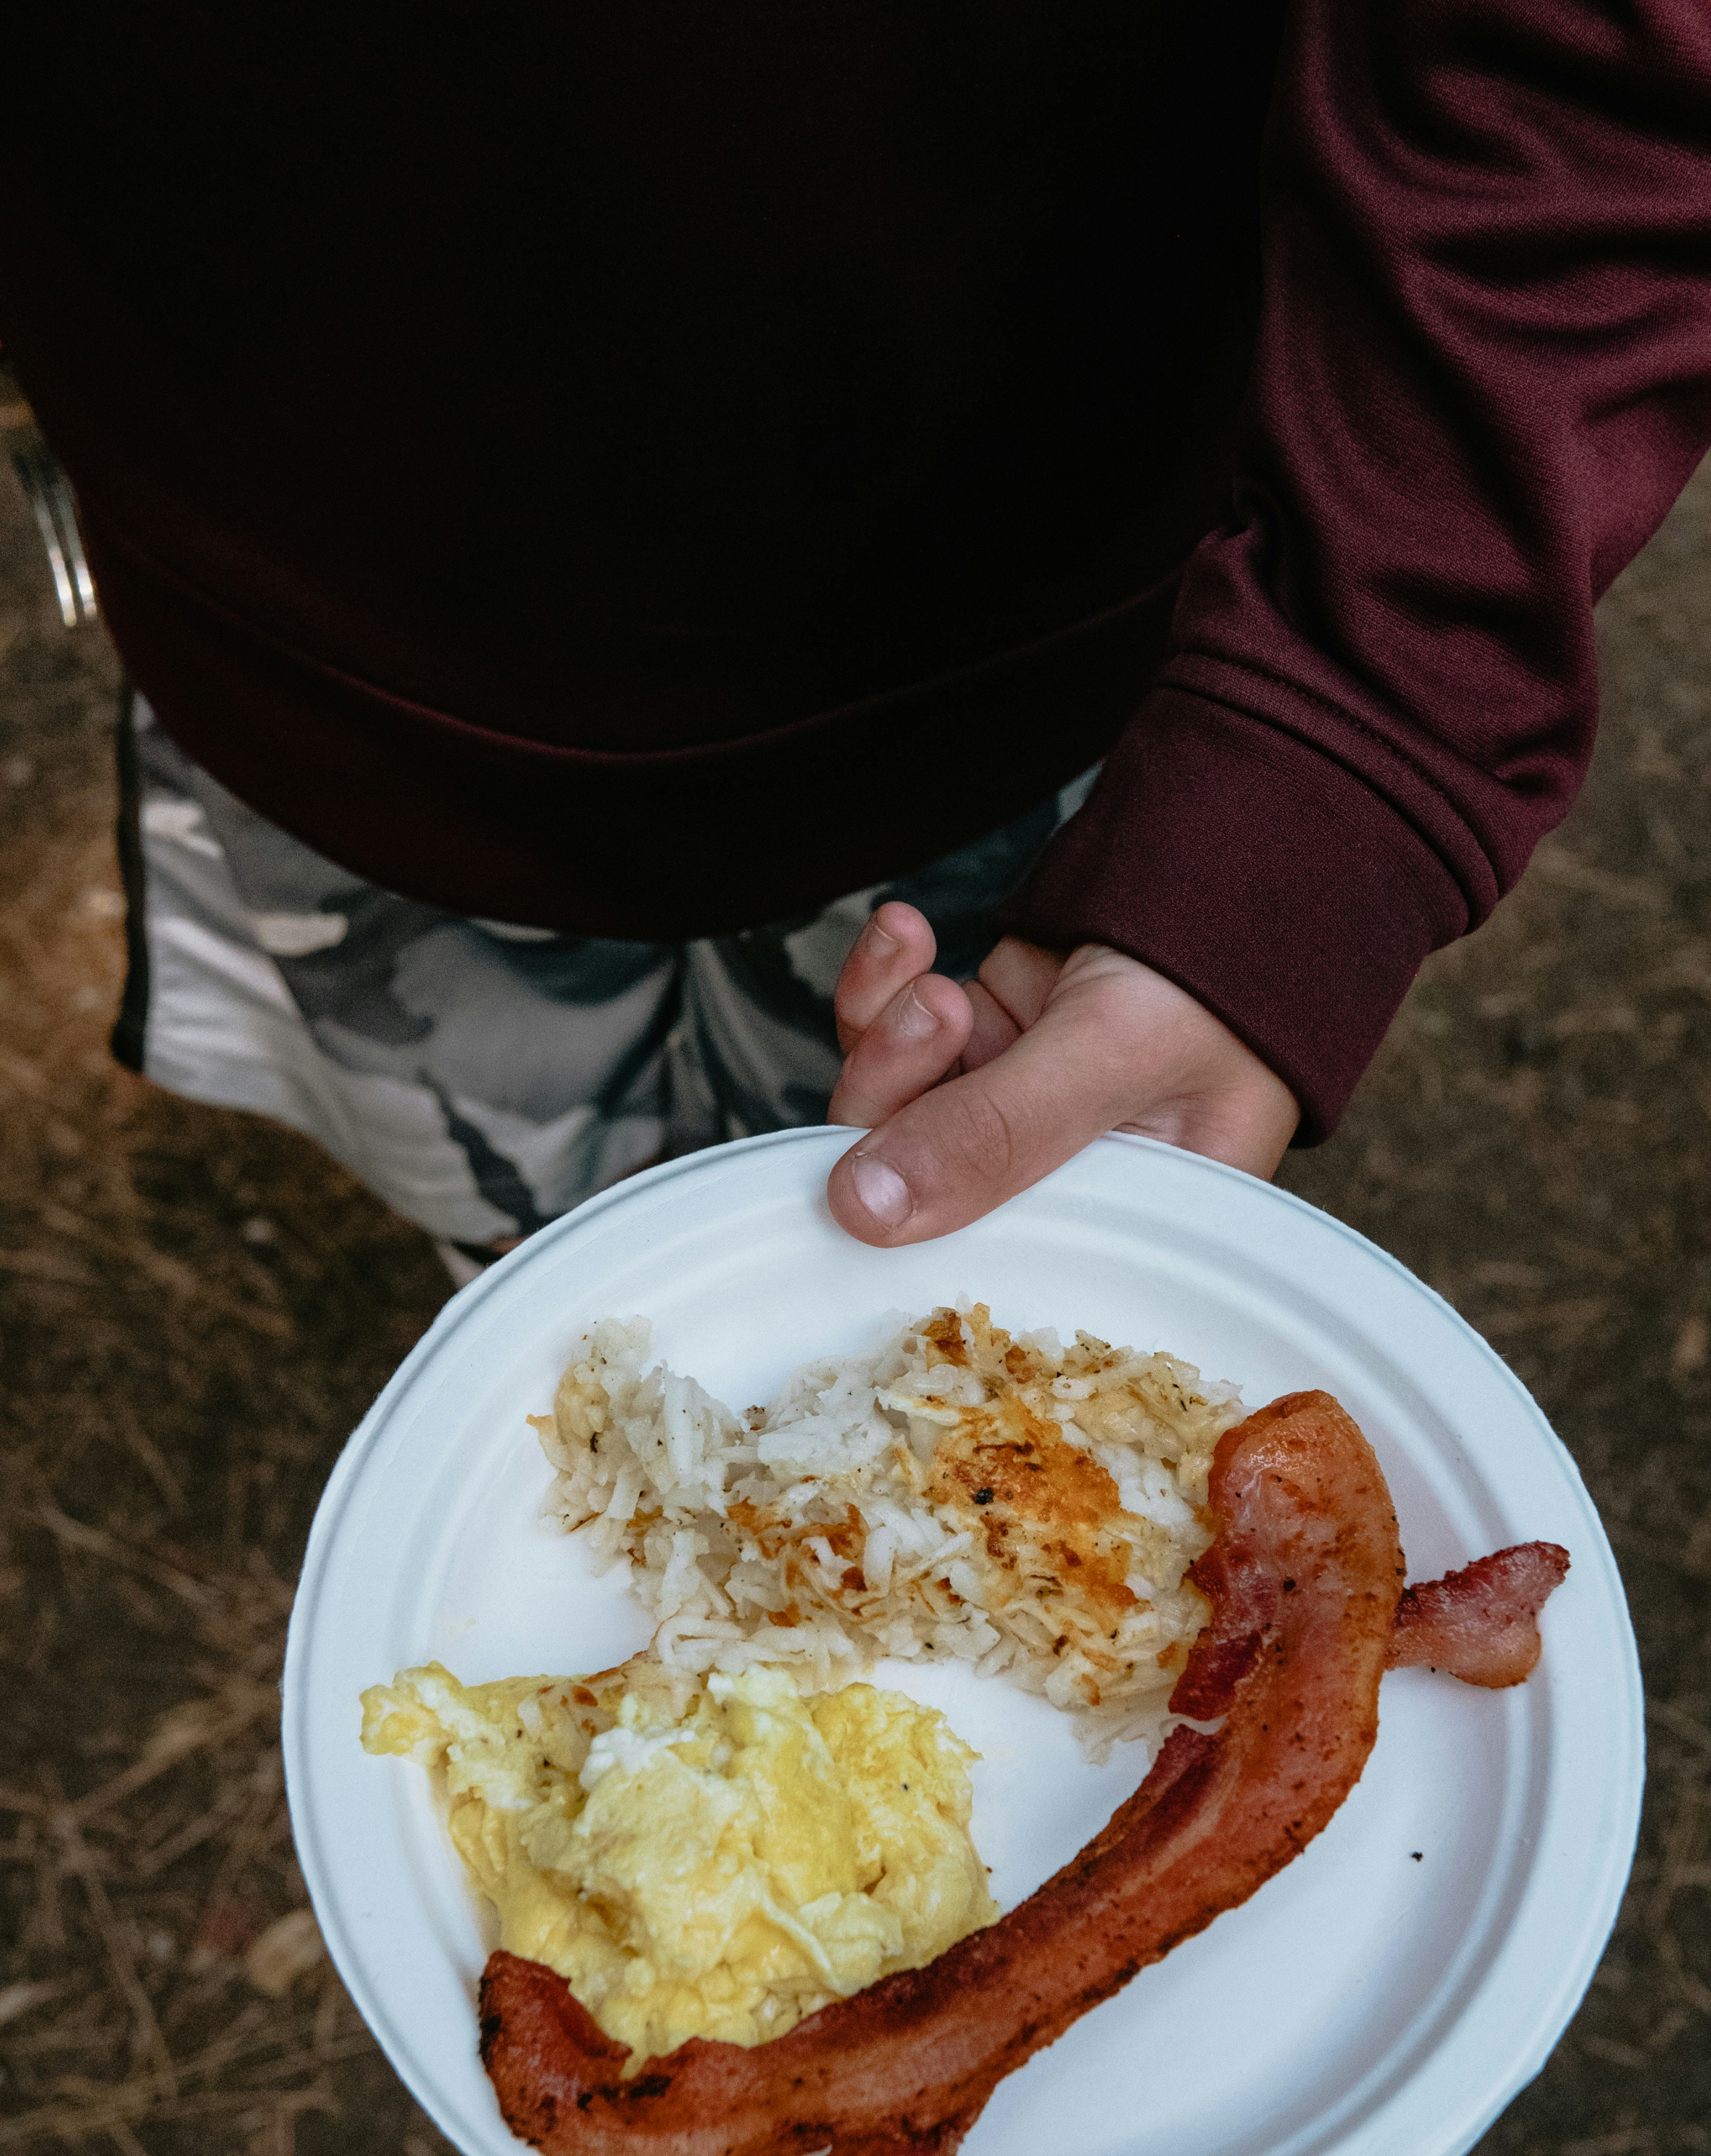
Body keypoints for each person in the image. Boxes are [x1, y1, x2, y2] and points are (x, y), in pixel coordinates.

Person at [3, 1, 1708, 1273]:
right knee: (525, 1224)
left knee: (943, 1202)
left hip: (1050, 621)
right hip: (305, 647)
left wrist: (1321, 765)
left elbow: (1588, 74)